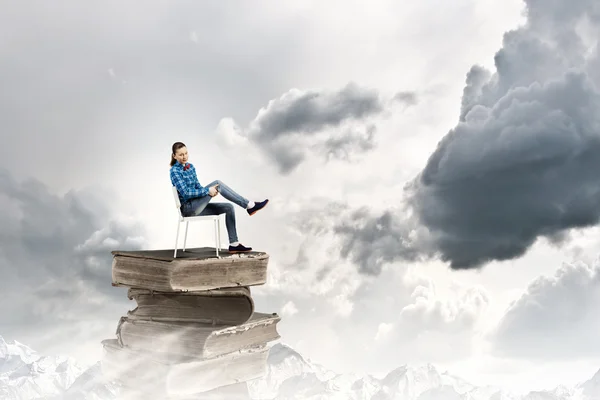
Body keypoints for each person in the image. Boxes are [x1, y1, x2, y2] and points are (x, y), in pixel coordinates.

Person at [169, 141, 268, 253]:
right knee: (218, 184)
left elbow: (198, 187)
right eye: (181, 154)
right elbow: (186, 193)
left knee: (229, 207)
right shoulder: (174, 171)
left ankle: (234, 244)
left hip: (197, 205)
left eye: (186, 153)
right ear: (174, 156)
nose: (184, 156)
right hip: (188, 208)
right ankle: (250, 205)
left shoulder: (191, 167)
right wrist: (207, 191)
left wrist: (209, 193)